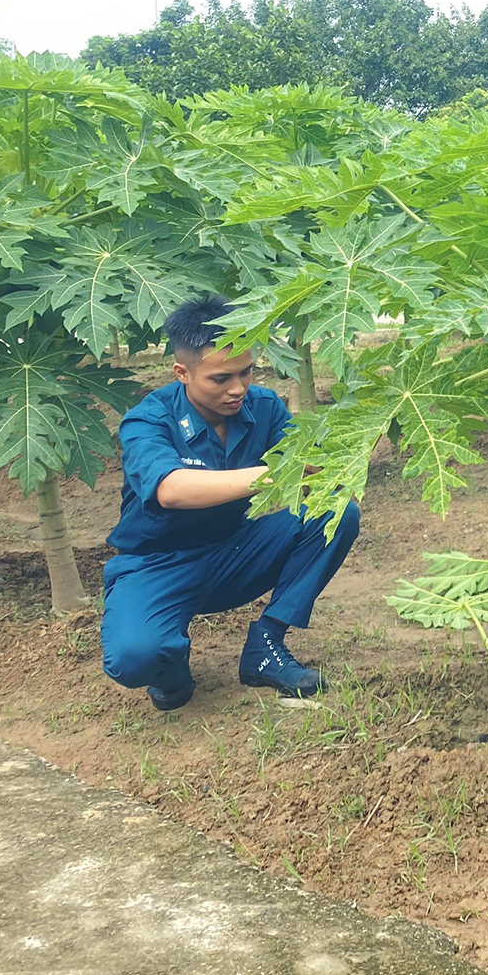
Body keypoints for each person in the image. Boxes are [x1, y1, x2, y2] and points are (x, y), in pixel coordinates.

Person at [100, 297, 359, 710]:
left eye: (246, 372)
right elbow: (171, 489)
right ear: (182, 373)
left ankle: (265, 645)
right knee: (135, 657)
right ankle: (170, 669)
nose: (238, 389)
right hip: (157, 564)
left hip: (234, 552)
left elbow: (314, 465)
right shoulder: (148, 420)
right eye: (221, 379)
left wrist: (351, 444)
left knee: (336, 512)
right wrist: (275, 473)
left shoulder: (263, 407)